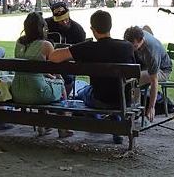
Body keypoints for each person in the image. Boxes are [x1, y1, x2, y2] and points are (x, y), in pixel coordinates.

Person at [49, 10, 135, 144]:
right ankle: (115, 127)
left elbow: (53, 56)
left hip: (99, 99)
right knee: (103, 91)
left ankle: (97, 120)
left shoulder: (87, 48)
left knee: (82, 92)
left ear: (92, 29)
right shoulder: (127, 47)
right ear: (110, 26)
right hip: (125, 99)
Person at [10, 12, 72, 138]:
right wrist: (56, 78)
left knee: (42, 83)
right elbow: (56, 69)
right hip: (37, 92)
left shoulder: (19, 43)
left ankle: (43, 124)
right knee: (60, 86)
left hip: (17, 90)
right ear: (42, 27)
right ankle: (63, 127)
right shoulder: (46, 45)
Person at [124, 26, 172, 122]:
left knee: (133, 80)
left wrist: (151, 107)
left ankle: (134, 110)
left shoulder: (151, 52)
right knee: (129, 76)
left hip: (162, 71)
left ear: (141, 40)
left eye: (134, 47)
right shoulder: (136, 34)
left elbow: (154, 80)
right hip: (146, 65)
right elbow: (146, 27)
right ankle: (130, 107)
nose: (132, 49)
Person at [45, 1, 86, 96]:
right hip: (47, 63)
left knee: (68, 78)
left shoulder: (78, 30)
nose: (64, 22)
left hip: (67, 64)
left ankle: (63, 99)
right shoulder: (46, 25)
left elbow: (81, 52)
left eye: (66, 19)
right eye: (60, 20)